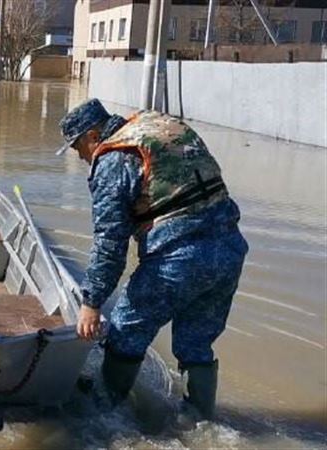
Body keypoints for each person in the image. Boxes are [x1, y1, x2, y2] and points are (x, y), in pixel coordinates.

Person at [57, 99, 248, 420]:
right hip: (229, 249)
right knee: (196, 345)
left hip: (179, 258)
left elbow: (110, 242)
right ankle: (200, 423)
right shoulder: (155, 126)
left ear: (93, 135)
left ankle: (105, 415)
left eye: (77, 147)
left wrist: (91, 303)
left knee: (125, 330)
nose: (79, 156)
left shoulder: (113, 159)